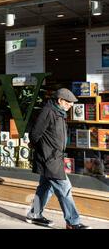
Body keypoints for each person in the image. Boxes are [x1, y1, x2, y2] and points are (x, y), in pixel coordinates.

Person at [26, 88, 91, 229]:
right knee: (65, 188)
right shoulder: (48, 112)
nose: (71, 105)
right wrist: (44, 151)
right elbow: (34, 134)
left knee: (45, 187)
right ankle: (73, 222)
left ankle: (34, 214)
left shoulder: (59, 112)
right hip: (50, 158)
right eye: (68, 102)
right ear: (60, 100)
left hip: (54, 157)